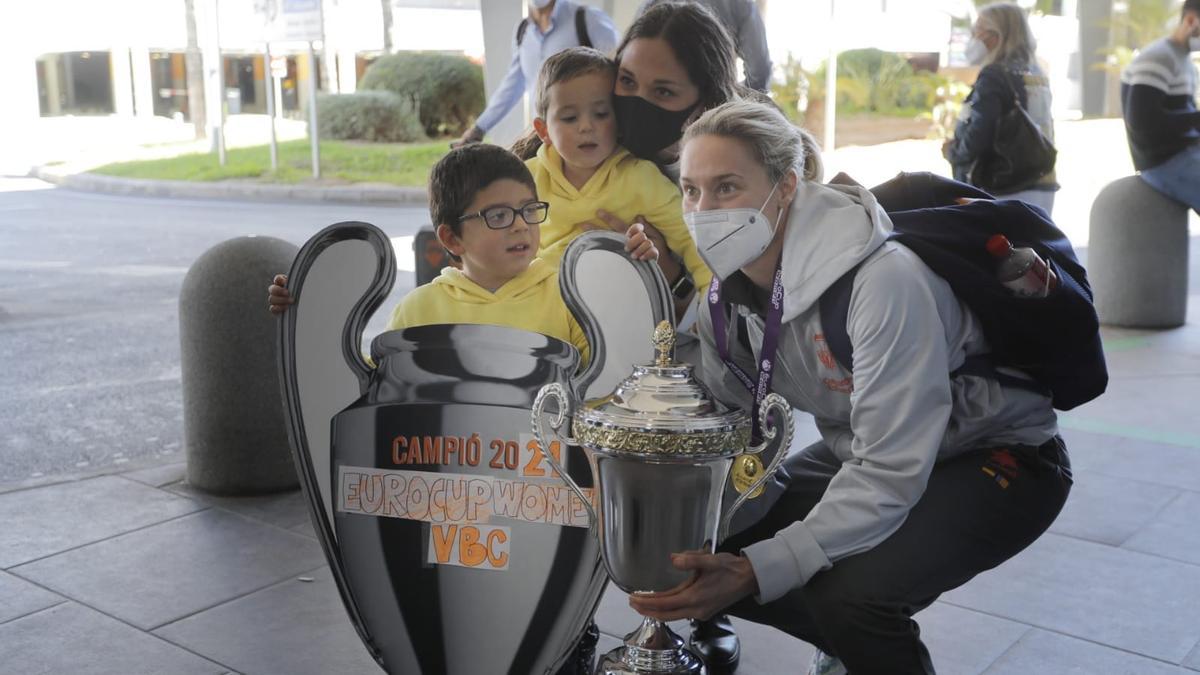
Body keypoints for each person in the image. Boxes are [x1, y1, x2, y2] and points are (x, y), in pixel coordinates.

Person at [628, 100, 1073, 675]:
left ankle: (862, 632)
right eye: (691, 190)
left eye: (727, 187)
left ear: (785, 187)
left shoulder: (882, 281)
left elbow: (890, 469)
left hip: (1001, 454)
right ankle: (854, 647)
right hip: (873, 448)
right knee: (716, 544)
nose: (703, 210)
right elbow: (718, 421)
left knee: (851, 595)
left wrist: (763, 568)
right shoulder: (727, 292)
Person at [268, 143, 655, 675]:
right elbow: (369, 401)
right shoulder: (420, 308)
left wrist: (636, 282)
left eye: (529, 210)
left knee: (548, 619)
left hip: (543, 507)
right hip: (453, 508)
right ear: (451, 237)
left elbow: (614, 393)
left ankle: (571, 639)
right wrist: (303, 313)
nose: (521, 226)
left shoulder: (567, 298)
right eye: (498, 215)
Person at [513, 47, 712, 301]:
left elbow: (692, 240)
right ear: (544, 130)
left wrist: (711, 302)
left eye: (601, 114)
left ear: (619, 121)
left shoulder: (641, 179)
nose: (586, 126)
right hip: (542, 308)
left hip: (622, 309)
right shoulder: (525, 180)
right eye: (570, 117)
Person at [453, 0, 619, 148]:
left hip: (586, 137)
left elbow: (616, 72)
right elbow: (512, 87)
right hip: (543, 137)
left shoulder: (587, 19)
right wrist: (479, 128)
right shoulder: (523, 30)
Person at [943, 3, 1058, 215]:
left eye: (977, 31)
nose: (974, 38)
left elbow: (981, 132)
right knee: (1033, 246)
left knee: (1000, 247)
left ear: (996, 35)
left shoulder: (994, 75)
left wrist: (954, 152)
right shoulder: (1036, 71)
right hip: (1041, 180)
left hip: (1005, 184)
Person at [1121, 0, 1200, 213]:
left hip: (1186, 153)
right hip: (1163, 161)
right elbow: (1141, 123)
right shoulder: (1159, 58)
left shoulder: (1185, 62)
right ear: (1191, 20)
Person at [635, 0, 772, 92]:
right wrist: (734, 103)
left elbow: (633, 51)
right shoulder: (741, 4)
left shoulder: (652, 2)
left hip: (653, 96)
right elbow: (760, 69)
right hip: (713, 100)